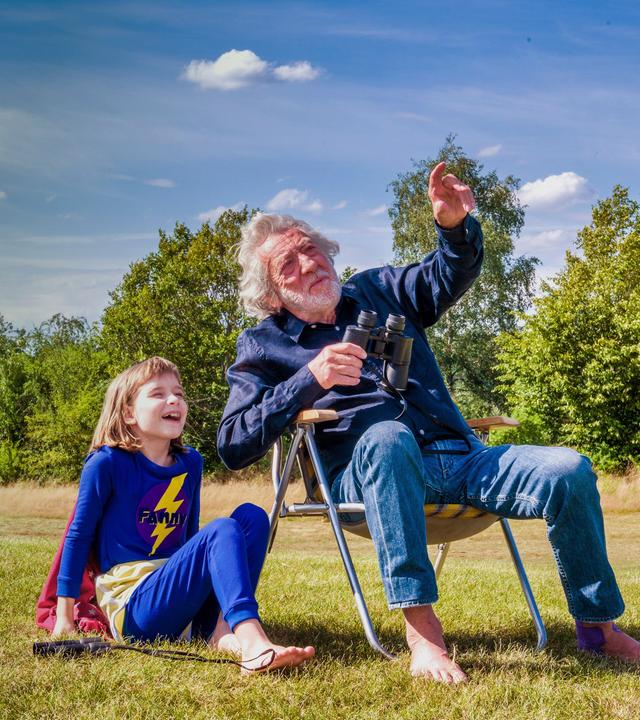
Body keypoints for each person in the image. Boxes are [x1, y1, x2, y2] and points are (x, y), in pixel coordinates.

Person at [217, 162, 640, 684]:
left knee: (569, 469)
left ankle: (598, 628)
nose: (309, 263)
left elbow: (447, 274)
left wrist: (455, 228)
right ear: (270, 294)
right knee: (388, 437)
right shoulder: (264, 344)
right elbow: (233, 443)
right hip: (367, 473)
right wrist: (309, 378)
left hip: (462, 457)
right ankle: (422, 632)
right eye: (289, 262)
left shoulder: (378, 291)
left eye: (312, 248)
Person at [53, 356, 315, 673]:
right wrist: (64, 619)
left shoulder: (190, 462)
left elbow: (189, 540)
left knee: (252, 517)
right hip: (134, 608)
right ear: (128, 413)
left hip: (177, 598)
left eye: (178, 392)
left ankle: (219, 630)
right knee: (222, 529)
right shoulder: (107, 462)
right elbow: (78, 537)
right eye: (158, 393)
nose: (174, 399)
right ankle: (253, 642)